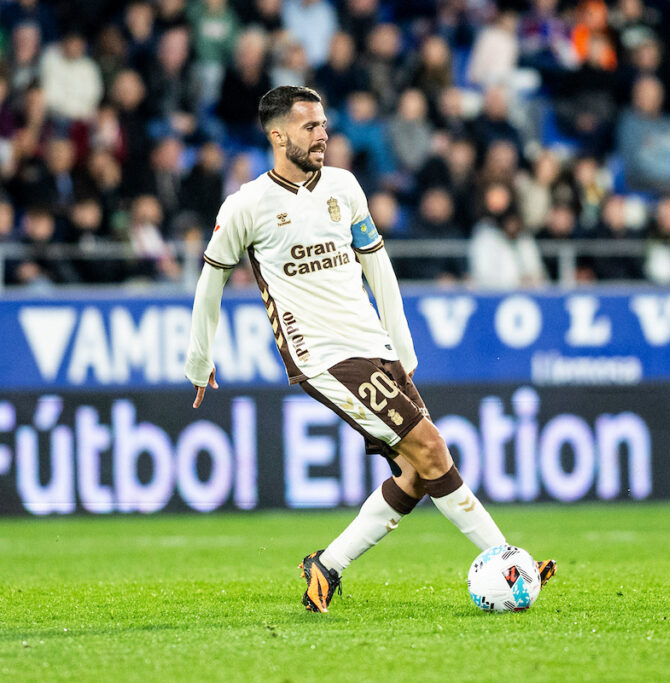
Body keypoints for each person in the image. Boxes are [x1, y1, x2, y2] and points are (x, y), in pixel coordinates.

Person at [183, 85, 555, 613]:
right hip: (323, 356)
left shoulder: (344, 187)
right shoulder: (246, 205)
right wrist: (199, 359)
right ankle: (507, 561)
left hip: (372, 344)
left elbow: (377, 267)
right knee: (432, 448)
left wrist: (401, 348)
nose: (322, 134)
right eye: (309, 126)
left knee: (416, 471)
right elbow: (211, 280)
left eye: (324, 124)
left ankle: (326, 567)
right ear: (277, 134)